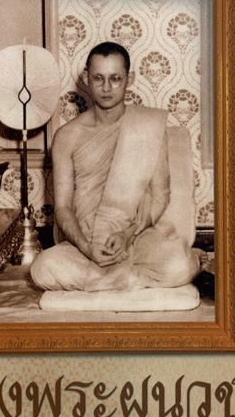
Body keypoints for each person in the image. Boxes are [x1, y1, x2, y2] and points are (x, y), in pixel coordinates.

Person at [30, 42, 200, 292]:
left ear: (129, 78)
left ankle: (103, 282)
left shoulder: (148, 125)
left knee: (181, 263)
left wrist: (128, 234)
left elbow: (160, 196)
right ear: (86, 78)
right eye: (98, 78)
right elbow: (63, 208)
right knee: (42, 268)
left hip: (137, 238)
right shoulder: (67, 136)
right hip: (86, 242)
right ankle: (129, 281)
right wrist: (87, 247)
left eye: (115, 78)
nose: (107, 88)